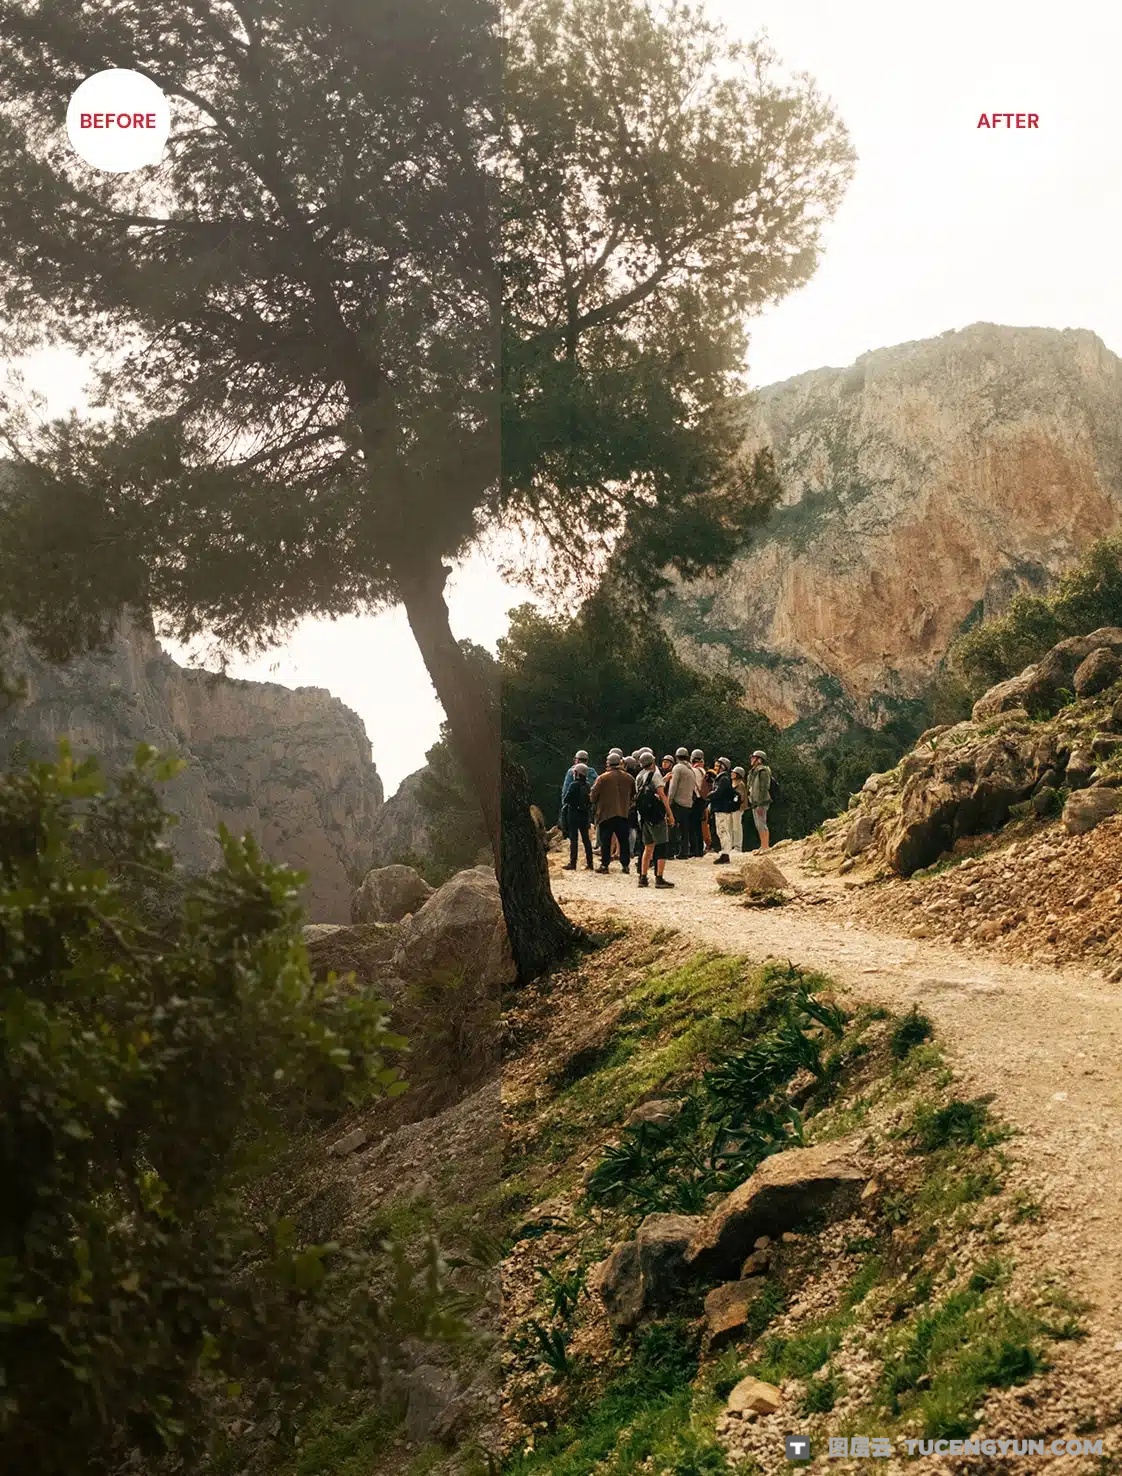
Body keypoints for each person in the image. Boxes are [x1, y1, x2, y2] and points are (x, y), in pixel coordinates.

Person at [634, 749, 675, 888]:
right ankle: (659, 878)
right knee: (662, 846)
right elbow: (662, 795)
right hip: (656, 816)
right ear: (653, 761)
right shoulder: (655, 775)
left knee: (648, 847)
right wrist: (670, 814)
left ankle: (643, 877)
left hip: (644, 817)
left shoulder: (640, 776)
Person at [590, 752, 635, 873]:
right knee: (624, 841)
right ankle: (625, 866)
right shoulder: (629, 778)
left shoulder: (602, 778)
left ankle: (605, 865)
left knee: (606, 841)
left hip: (606, 814)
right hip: (624, 813)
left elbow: (593, 796)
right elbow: (633, 795)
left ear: (608, 763)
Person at [560, 762, 594, 870]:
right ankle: (590, 863)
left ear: (577, 773)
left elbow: (566, 799)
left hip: (573, 814)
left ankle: (572, 863)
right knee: (586, 840)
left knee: (573, 839)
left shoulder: (573, 785)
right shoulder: (588, 785)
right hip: (584, 815)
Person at [708, 757, 741, 864]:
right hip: (721, 808)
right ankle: (724, 852)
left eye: (718, 765)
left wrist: (710, 795)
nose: (715, 767)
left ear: (723, 767)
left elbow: (719, 792)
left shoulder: (724, 779)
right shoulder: (723, 778)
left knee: (723, 831)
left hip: (722, 808)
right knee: (721, 830)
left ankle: (725, 854)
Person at [666, 747, 697, 860]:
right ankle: (684, 852)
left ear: (676, 757)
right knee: (684, 829)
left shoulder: (678, 768)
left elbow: (673, 787)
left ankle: (670, 852)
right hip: (688, 803)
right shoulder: (690, 770)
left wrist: (668, 802)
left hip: (677, 802)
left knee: (672, 828)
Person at [748, 749, 773, 851]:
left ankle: (765, 846)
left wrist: (760, 803)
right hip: (755, 801)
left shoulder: (763, 771)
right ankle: (762, 845)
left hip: (761, 802)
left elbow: (764, 788)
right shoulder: (753, 772)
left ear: (759, 760)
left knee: (762, 823)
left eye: (754, 757)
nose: (751, 759)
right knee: (758, 824)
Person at [689, 749, 710, 858]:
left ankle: (693, 849)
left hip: (694, 800)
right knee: (699, 826)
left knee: (692, 826)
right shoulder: (703, 771)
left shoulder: (692, 770)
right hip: (703, 800)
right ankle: (699, 850)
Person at [730, 765, 748, 852]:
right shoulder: (732, 783)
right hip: (732, 808)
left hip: (738, 808)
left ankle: (738, 847)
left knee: (737, 827)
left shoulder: (740, 784)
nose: (732, 773)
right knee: (731, 827)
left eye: (734, 773)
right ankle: (731, 845)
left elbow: (740, 797)